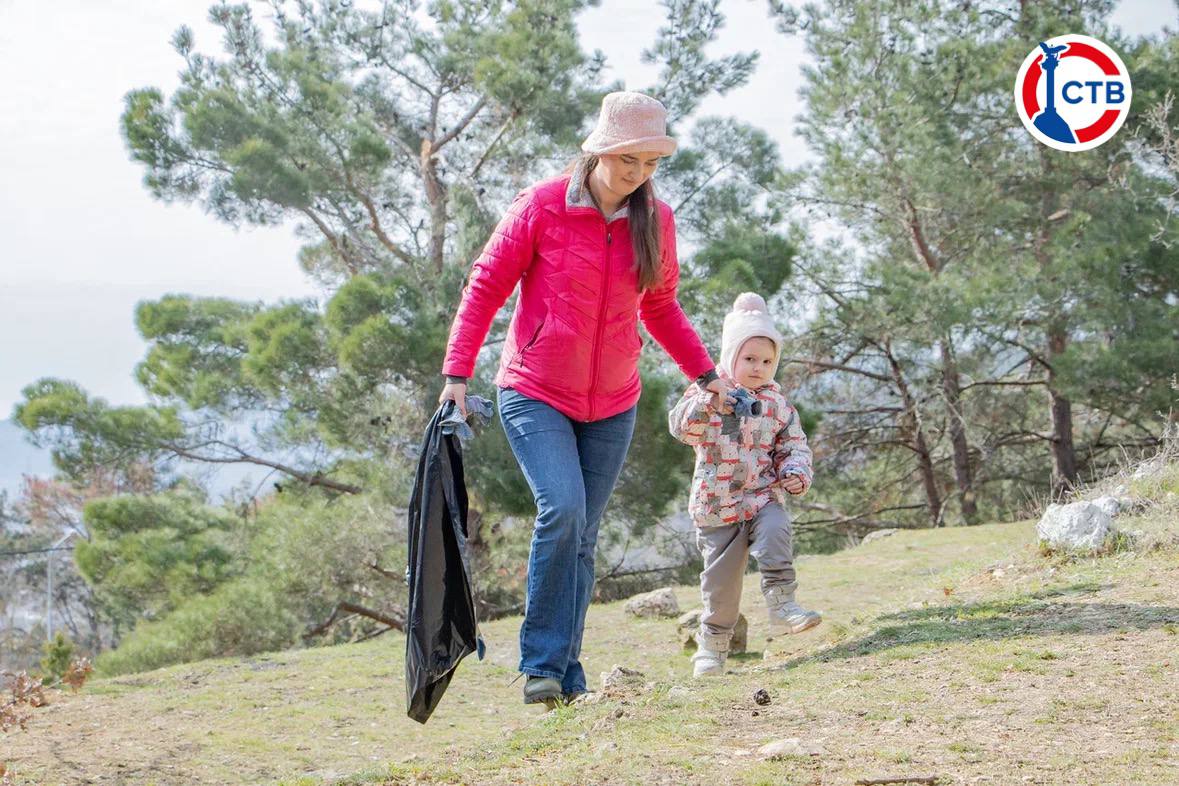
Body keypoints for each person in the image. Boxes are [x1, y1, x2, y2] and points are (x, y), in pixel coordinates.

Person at [438, 91, 731, 707]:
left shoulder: (656, 221)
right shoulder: (542, 206)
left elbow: (659, 305)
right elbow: (486, 284)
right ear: (599, 150)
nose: (638, 174)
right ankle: (541, 663)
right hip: (534, 389)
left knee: (584, 535)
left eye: (650, 163)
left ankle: (565, 677)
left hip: (614, 400)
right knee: (563, 510)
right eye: (629, 159)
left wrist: (706, 374)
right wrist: (457, 375)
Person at [667, 292, 818, 679]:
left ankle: (783, 604)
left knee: (777, 530)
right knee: (721, 586)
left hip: (763, 494)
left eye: (767, 361)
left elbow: (794, 444)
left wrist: (796, 472)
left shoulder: (778, 404)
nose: (758, 368)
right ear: (731, 356)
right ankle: (714, 648)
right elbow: (683, 429)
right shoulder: (708, 393)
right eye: (749, 359)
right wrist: (708, 400)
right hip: (717, 506)